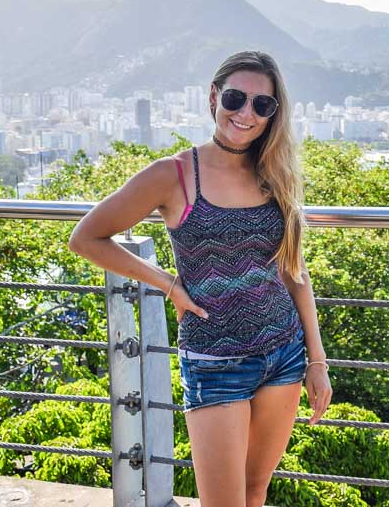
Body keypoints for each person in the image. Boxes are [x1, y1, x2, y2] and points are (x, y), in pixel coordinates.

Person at [68, 50, 332, 507]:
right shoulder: (172, 175)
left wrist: (317, 358)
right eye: (236, 97)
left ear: (273, 115)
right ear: (214, 97)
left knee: (255, 492)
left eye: (261, 105)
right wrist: (168, 284)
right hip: (215, 362)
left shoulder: (274, 173)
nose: (245, 113)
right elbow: (87, 238)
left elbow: (293, 268)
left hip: (284, 354)